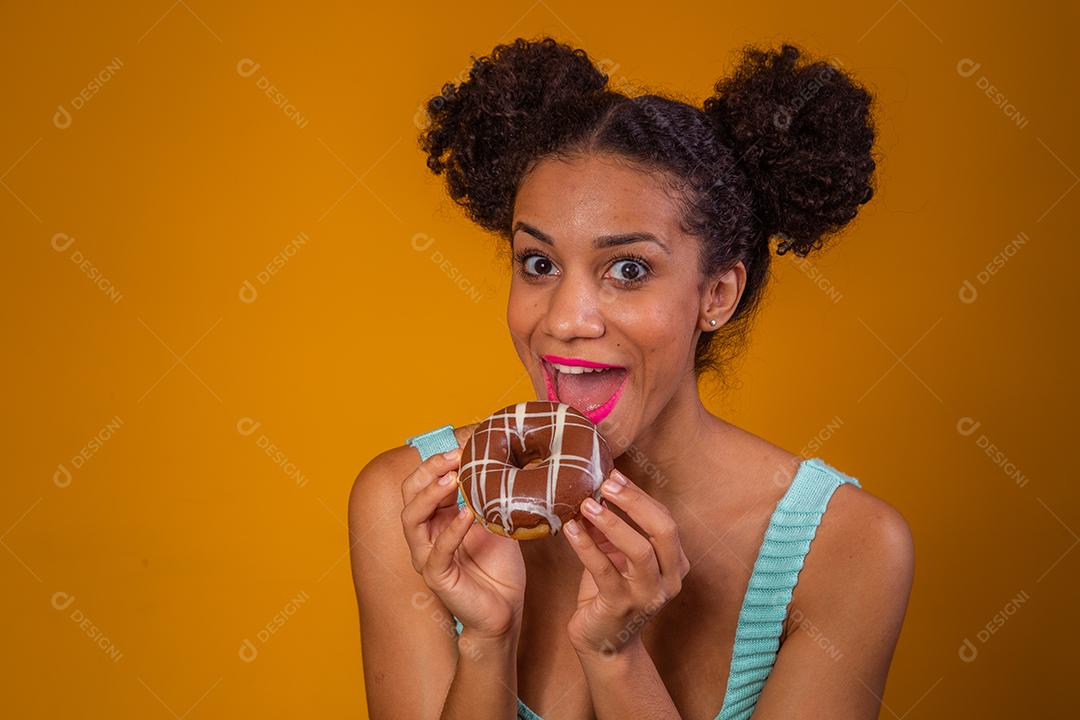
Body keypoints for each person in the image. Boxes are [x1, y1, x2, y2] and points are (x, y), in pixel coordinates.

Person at [349, 36, 914, 720]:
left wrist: (616, 656)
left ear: (717, 294)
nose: (565, 320)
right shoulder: (415, 505)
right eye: (538, 264)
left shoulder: (847, 550)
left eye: (629, 270)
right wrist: (487, 643)